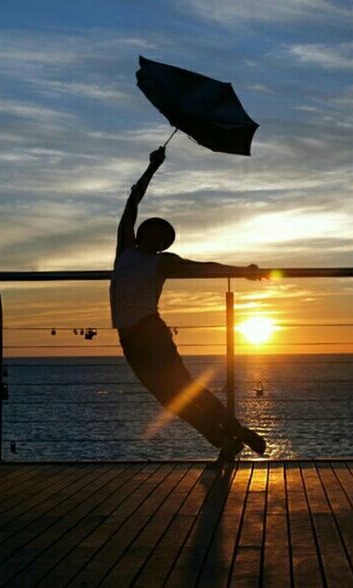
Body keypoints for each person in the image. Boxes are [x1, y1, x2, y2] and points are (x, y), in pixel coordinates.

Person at [111, 146, 266, 462]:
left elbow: (205, 267)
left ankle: (235, 433)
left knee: (183, 387)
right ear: (143, 232)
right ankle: (228, 439)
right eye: (156, 232)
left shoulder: (163, 262)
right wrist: (152, 166)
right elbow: (132, 201)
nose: (159, 238)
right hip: (128, 338)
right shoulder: (125, 249)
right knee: (170, 399)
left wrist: (243, 273)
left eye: (164, 238)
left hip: (150, 333)